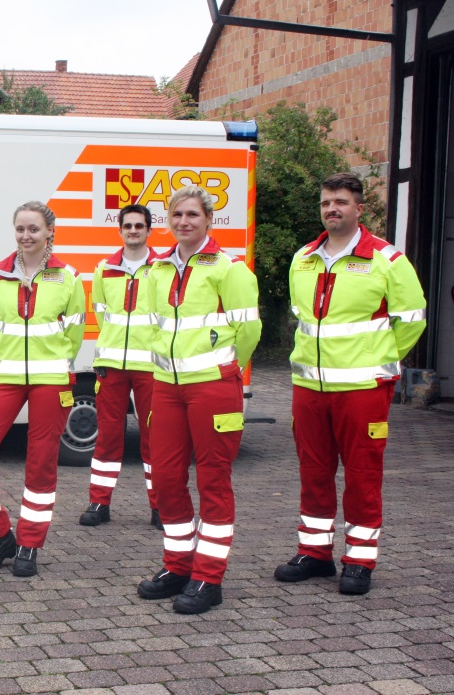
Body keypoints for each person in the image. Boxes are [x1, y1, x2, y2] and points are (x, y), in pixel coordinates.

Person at [274, 172, 426, 595]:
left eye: (340, 202)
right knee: (314, 470)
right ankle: (315, 553)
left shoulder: (386, 259)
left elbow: (412, 318)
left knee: (362, 474)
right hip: (309, 387)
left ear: (359, 208)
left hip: (363, 389)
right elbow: (301, 317)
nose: (331, 209)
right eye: (325, 202)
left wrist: (380, 362)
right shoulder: (303, 257)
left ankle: (359, 559)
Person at [136, 185, 260, 615]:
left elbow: (249, 332)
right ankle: (178, 566)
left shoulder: (229, 270)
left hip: (213, 387)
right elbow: (152, 326)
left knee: (213, 480)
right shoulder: (158, 270)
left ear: (209, 220)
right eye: (177, 215)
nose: (184, 222)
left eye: (192, 215)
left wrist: (225, 368)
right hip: (167, 388)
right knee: (166, 479)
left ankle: (209, 576)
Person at [0, 201, 86, 578]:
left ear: (49, 233)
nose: (26, 236)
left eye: (33, 229)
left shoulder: (68, 278)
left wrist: (53, 360)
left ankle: (29, 543)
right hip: (6, 377)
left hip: (51, 380)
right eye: (20, 229)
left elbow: (74, 332)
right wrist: (4, 355)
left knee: (41, 464)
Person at [82, 204, 161, 529]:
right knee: (108, 438)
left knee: (155, 439)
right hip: (111, 364)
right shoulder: (104, 269)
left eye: (138, 226)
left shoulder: (162, 268)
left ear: (148, 230)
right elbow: (102, 314)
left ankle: (161, 506)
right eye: (127, 225)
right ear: (120, 229)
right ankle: (99, 503)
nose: (132, 230)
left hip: (152, 366)